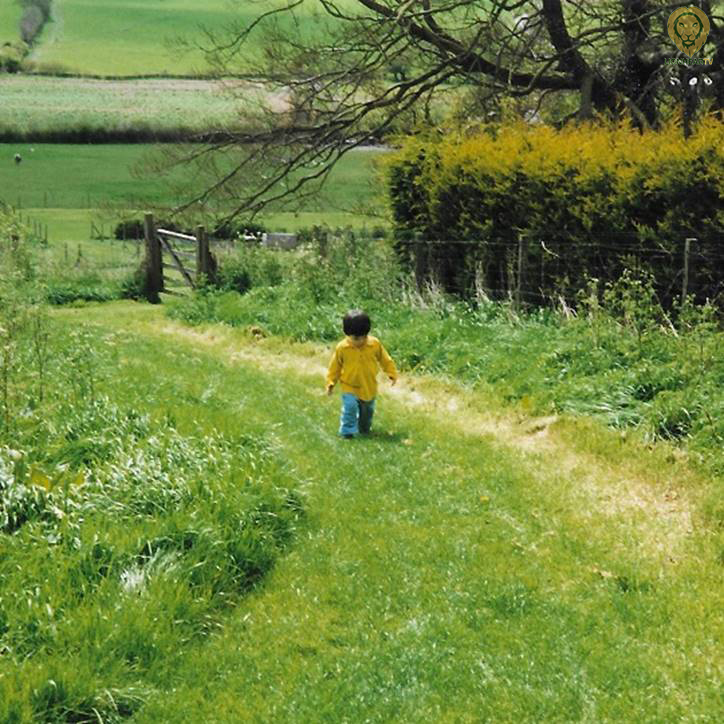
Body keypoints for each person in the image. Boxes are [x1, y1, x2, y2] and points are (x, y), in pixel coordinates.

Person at [326, 309, 398, 438]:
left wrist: (391, 372)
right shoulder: (342, 348)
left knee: (367, 412)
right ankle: (347, 432)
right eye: (355, 338)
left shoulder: (374, 344)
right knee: (350, 408)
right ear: (347, 334)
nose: (359, 341)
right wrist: (331, 382)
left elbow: (385, 359)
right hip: (349, 386)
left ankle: (364, 429)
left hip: (368, 386)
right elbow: (335, 366)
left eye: (362, 337)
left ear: (367, 334)